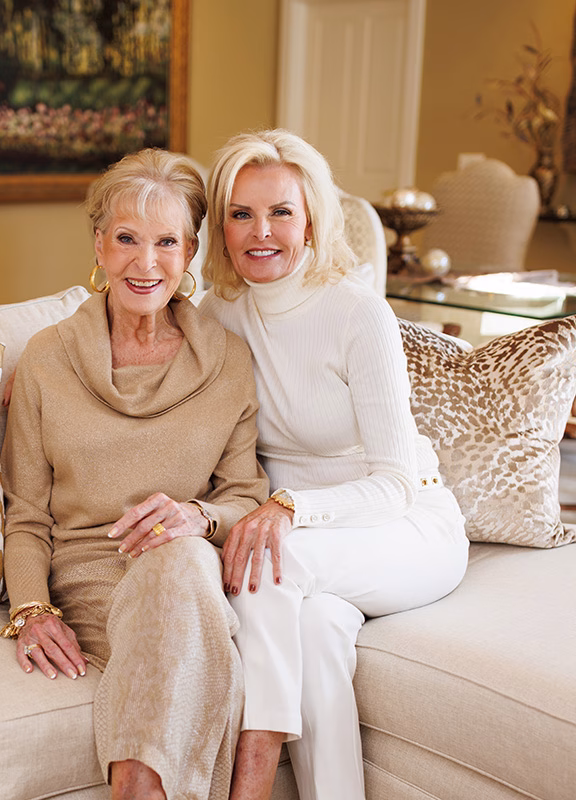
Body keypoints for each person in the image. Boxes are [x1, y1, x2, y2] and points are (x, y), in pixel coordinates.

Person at [198, 129, 470, 800]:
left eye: (280, 212)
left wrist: (289, 506)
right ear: (222, 228)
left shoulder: (358, 313)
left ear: (312, 220)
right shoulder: (221, 311)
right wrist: (43, 373)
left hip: (406, 526)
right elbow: (150, 362)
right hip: (315, 542)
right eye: (241, 214)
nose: (261, 231)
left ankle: (252, 772)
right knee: (316, 634)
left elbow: (396, 483)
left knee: (264, 564)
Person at [0, 148, 269, 800]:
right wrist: (30, 608)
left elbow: (243, 494)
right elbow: (26, 516)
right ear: (99, 243)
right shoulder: (46, 360)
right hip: (93, 577)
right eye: (127, 239)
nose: (145, 263)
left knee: (179, 556)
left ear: (191, 252)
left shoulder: (228, 360)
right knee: (189, 616)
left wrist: (198, 517)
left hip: (190, 570)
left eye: (166, 242)